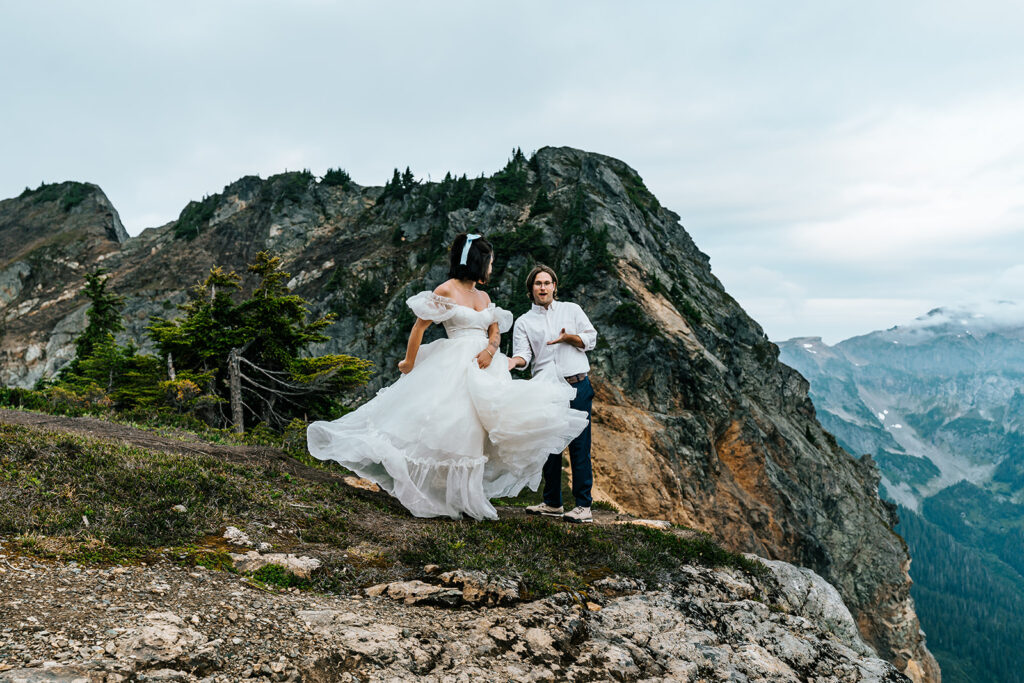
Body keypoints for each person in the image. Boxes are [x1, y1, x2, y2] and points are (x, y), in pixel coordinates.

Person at [306, 234, 589, 520]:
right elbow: (419, 328)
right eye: (489, 261)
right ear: (479, 262)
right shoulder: (446, 290)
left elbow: (494, 329)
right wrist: (409, 362)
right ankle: (441, 496)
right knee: (455, 428)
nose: (491, 267)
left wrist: (492, 350)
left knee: (480, 433)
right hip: (454, 363)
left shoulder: (483, 296)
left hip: (484, 366)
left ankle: (470, 497)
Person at [508, 265, 597, 523]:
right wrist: (513, 363)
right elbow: (523, 355)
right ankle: (552, 503)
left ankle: (583, 506)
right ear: (531, 289)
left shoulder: (572, 310)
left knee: (580, 447)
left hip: (577, 385)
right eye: (538, 283)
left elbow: (591, 338)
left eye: (547, 283)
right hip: (546, 389)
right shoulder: (524, 321)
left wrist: (571, 338)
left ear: (554, 286)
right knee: (549, 447)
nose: (543, 287)